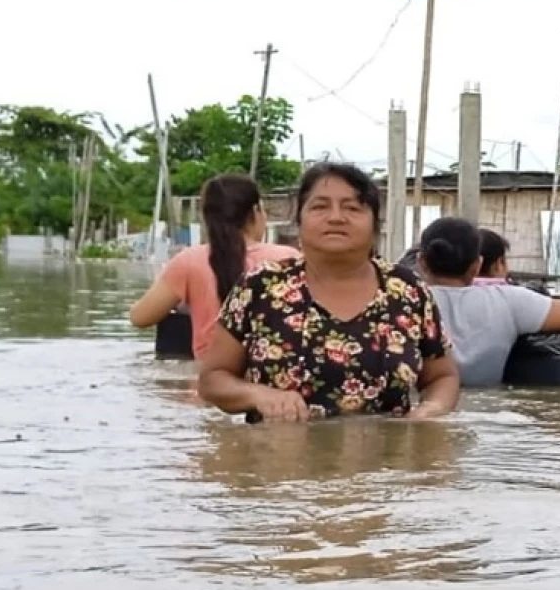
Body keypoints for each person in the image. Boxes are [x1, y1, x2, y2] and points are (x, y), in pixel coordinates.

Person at [197, 162, 460, 422]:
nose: (336, 218)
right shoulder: (260, 286)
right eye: (320, 206)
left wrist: (432, 409)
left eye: (352, 208)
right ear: (299, 221)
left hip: (388, 449)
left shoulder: (407, 289)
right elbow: (212, 380)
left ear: (374, 225)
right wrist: (258, 395)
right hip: (278, 447)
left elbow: (442, 376)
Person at [129, 173, 298, 360]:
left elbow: (140, 318)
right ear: (255, 211)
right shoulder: (289, 259)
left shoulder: (189, 261)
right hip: (272, 370)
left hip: (209, 373)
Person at [418, 216, 560, 386]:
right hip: (488, 404)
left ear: (421, 262)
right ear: (477, 265)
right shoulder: (509, 300)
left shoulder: (407, 300)